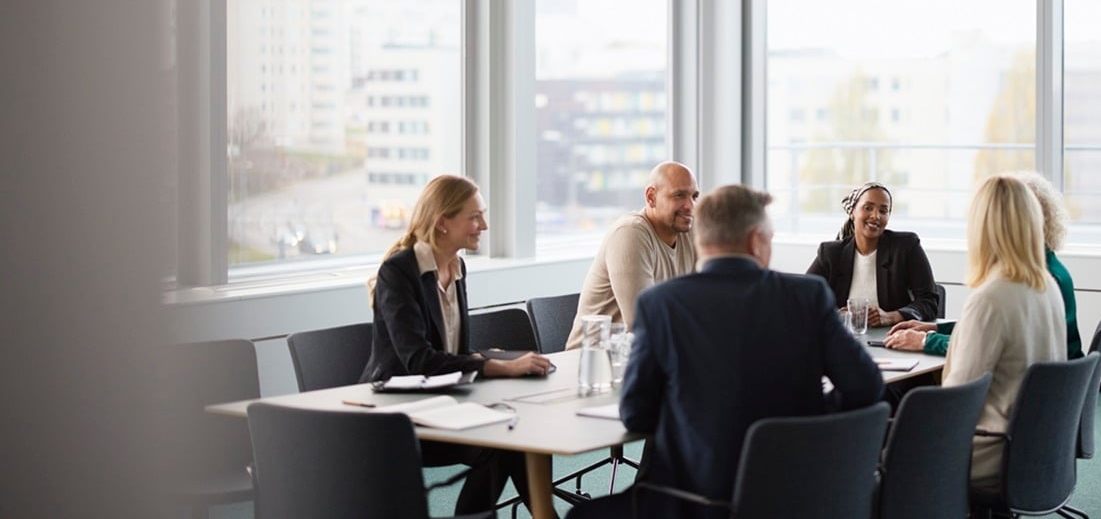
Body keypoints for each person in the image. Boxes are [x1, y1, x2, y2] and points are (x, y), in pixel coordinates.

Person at [568, 185, 885, 519]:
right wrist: (812, 416)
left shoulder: (661, 304)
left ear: (702, 240)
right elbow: (866, 387)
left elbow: (636, 414)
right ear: (754, 240)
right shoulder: (807, 296)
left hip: (695, 500)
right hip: (799, 495)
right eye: (770, 238)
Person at [362, 175, 555, 516]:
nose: (484, 224)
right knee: (503, 443)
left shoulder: (456, 266)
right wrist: (498, 366)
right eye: (475, 216)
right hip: (399, 417)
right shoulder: (398, 271)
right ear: (443, 223)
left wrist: (489, 359)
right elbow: (419, 360)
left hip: (443, 404)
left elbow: (452, 353)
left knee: (517, 431)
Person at [937, 174, 1066, 490]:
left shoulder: (990, 298)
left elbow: (955, 402)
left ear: (982, 228)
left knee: (875, 456)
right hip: (1037, 447)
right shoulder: (1047, 286)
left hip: (990, 450)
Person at [884, 170, 1083, 359]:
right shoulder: (1047, 272)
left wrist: (927, 341)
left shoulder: (1029, 282)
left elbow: (981, 348)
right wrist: (936, 328)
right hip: (1057, 387)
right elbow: (991, 331)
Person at [565, 161, 700, 349]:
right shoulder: (630, 233)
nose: (690, 206)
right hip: (594, 363)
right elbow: (643, 324)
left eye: (694, 196)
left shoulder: (689, 232)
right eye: (679, 195)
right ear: (651, 197)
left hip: (649, 358)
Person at [806, 181, 940, 328]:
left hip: (892, 339)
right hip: (843, 339)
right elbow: (803, 298)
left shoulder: (906, 247)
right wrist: (836, 315)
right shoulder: (831, 253)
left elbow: (929, 302)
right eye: (868, 208)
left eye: (883, 211)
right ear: (852, 212)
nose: (875, 216)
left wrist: (891, 317)